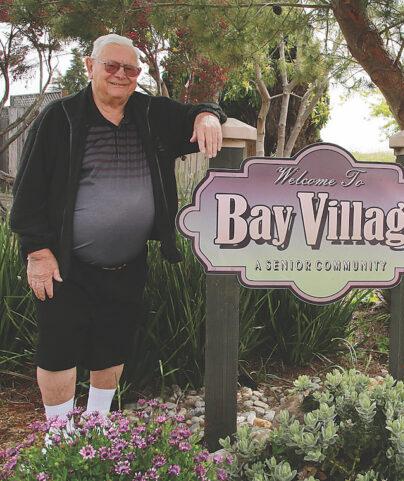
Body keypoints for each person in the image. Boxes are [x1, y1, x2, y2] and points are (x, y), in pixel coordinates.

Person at [9, 34, 226, 428]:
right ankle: (59, 440)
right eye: (111, 66)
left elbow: (198, 110)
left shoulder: (149, 113)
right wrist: (37, 253)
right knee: (58, 351)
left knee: (112, 347)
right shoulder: (60, 118)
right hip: (63, 264)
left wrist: (206, 116)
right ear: (90, 67)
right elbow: (30, 190)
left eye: (130, 69)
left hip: (128, 263)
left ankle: (98, 427)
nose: (121, 75)